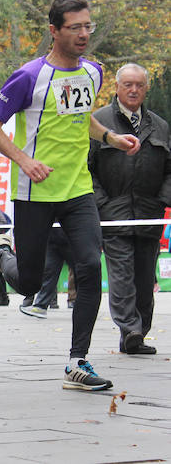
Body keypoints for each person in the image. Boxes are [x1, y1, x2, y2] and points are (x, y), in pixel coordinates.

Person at [0, 0, 139, 391]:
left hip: (78, 190)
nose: (84, 34)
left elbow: (80, 118)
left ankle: (77, 362)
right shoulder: (28, 77)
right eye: (75, 28)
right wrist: (23, 161)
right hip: (35, 190)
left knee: (88, 265)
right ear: (54, 31)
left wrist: (111, 137)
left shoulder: (94, 73)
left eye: (88, 26)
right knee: (31, 283)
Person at [90, 63, 171, 355]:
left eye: (139, 84)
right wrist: (102, 204)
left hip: (150, 214)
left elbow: (169, 171)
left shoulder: (160, 126)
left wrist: (162, 201)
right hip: (114, 215)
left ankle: (138, 334)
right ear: (117, 87)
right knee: (122, 276)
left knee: (144, 277)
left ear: (146, 88)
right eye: (128, 84)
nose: (134, 90)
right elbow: (86, 170)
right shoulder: (98, 122)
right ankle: (130, 328)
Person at [18, 227, 74, 318]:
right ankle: (40, 306)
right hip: (52, 237)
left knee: (81, 271)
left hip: (71, 236)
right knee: (48, 272)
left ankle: (88, 306)